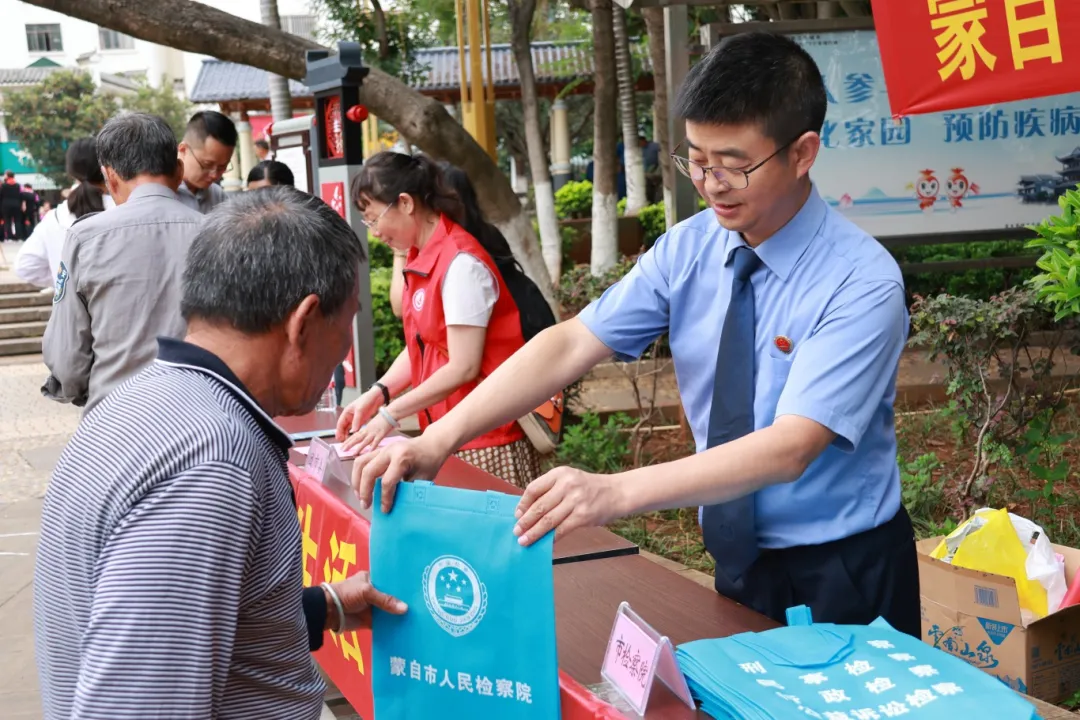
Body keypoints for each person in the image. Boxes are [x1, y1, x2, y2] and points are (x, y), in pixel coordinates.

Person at [353, 33, 918, 636]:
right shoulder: (689, 249)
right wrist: (436, 439)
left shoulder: (860, 282)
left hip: (844, 569)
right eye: (695, 159)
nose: (710, 183)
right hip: (740, 564)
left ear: (802, 153)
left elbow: (790, 447)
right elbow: (572, 343)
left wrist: (614, 493)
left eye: (733, 164)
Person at [34, 186, 407, 719]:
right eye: (348, 320)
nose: (347, 347)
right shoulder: (213, 466)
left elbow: (188, 625)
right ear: (303, 322)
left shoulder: (137, 402)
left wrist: (323, 605)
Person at [337, 152, 542, 488]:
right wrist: (377, 394)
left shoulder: (461, 264)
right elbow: (424, 344)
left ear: (405, 203)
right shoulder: (421, 255)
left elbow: (463, 366)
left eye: (374, 219)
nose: (374, 233)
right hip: (449, 433)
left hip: (484, 438)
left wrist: (391, 414)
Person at [42, 112, 203, 415]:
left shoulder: (85, 238)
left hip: (115, 419)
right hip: (205, 414)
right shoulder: (217, 233)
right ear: (179, 170)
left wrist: (75, 389)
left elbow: (67, 359)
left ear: (110, 177)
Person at [14, 138, 114, 289]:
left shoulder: (54, 217)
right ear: (108, 168)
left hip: (70, 303)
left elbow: (25, 266)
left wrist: (62, 282)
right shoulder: (125, 210)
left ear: (71, 172)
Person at [177, 110, 237, 213]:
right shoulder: (162, 192)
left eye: (222, 167)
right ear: (183, 150)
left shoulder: (218, 197)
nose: (214, 175)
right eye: (207, 164)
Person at [1, 170, 23, 240]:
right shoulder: (18, 185)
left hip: (6, 205)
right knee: (17, 221)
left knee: (7, 221)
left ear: (7, 176)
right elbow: (21, 195)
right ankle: (18, 237)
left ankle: (9, 237)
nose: (4, 176)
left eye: (5, 174)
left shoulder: (4, 185)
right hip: (16, 205)